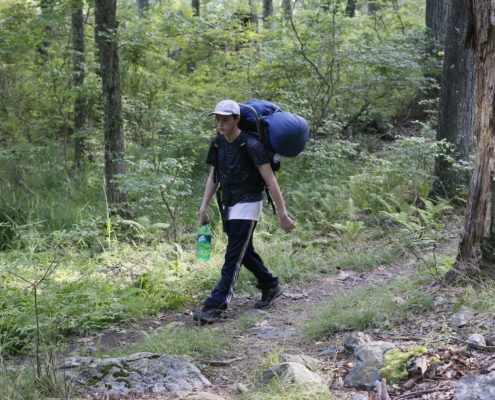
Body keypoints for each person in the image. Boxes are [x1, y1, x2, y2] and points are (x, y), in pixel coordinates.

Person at [193, 99, 295, 324]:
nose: (220, 124)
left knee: (233, 255)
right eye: (218, 120)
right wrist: (203, 207)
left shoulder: (251, 144)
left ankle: (216, 303)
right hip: (227, 203)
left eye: (225, 120)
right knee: (243, 250)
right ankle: (270, 284)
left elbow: (270, 181)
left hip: (248, 202)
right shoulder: (217, 144)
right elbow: (213, 177)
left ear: (236, 119)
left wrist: (282, 214)